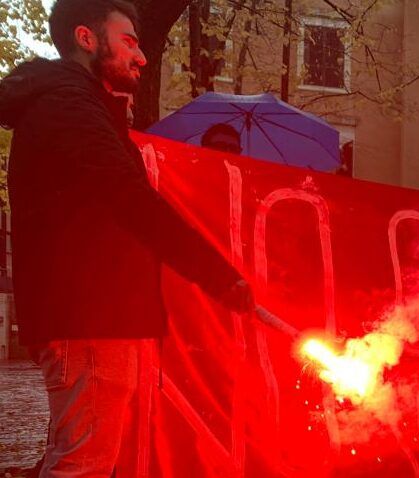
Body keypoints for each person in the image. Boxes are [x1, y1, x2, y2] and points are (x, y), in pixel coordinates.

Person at [0, 0, 255, 475]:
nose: (141, 57)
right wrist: (217, 276)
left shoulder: (75, 105)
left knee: (81, 458)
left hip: (92, 318)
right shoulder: (67, 106)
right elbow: (129, 198)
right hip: (92, 320)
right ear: (86, 38)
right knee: (85, 467)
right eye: (129, 42)